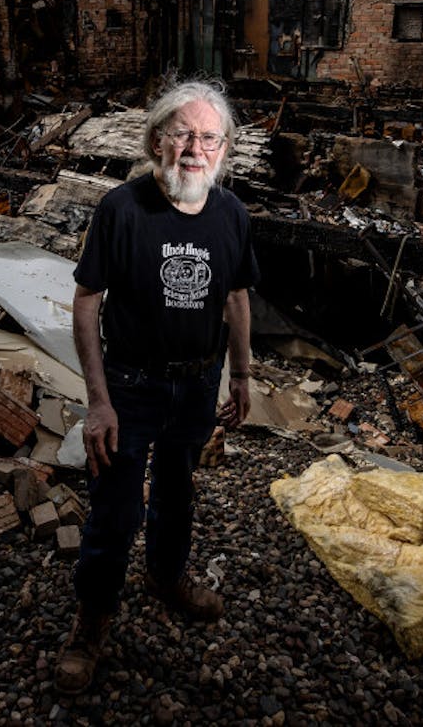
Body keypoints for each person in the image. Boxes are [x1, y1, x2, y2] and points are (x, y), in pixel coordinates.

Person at [55, 79, 259, 694]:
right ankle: (92, 621)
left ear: (224, 151)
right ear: (155, 141)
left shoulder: (232, 214)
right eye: (182, 134)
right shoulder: (122, 208)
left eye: (209, 137)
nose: (195, 148)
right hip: (130, 388)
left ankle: (166, 578)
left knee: (177, 494)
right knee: (115, 508)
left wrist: (242, 374)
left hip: (196, 386)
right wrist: (98, 401)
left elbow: (235, 297)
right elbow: (88, 303)